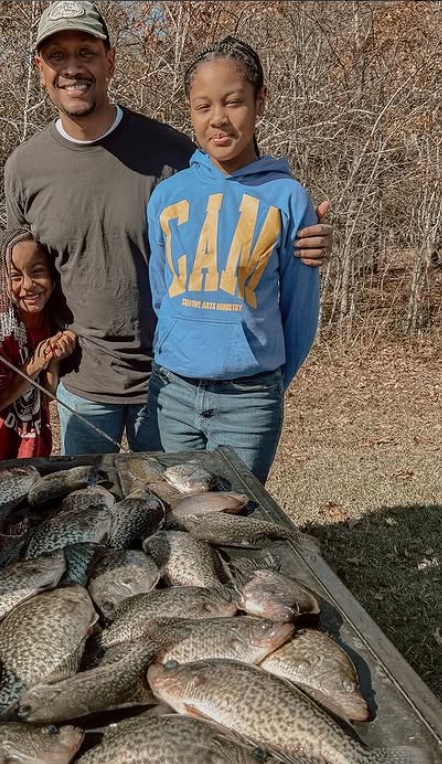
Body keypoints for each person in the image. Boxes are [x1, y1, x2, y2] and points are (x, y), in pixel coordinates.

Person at [5, 0, 333, 456]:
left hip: (163, 387)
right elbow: (23, 260)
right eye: (57, 56)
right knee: (86, 507)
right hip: (82, 380)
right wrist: (40, 342)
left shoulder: (171, 153)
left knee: (171, 511)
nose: (72, 68)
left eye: (86, 51)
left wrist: (303, 233)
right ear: (40, 68)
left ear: (110, 60)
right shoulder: (24, 166)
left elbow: (235, 193)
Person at [146, 36, 320, 482]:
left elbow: (299, 313)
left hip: (250, 399)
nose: (218, 119)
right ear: (189, 110)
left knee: (236, 514)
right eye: (203, 106)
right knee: (181, 513)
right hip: (174, 393)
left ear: (260, 101)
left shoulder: (287, 198)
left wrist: (267, 383)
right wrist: (177, 349)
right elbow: (161, 293)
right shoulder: (167, 196)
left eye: (233, 102)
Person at [0, 226, 77, 462]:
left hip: (34, 449)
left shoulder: (49, 318)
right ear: (1, 279)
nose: (28, 285)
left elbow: (47, 396)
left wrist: (54, 358)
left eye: (37, 272)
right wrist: (35, 362)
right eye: (16, 277)